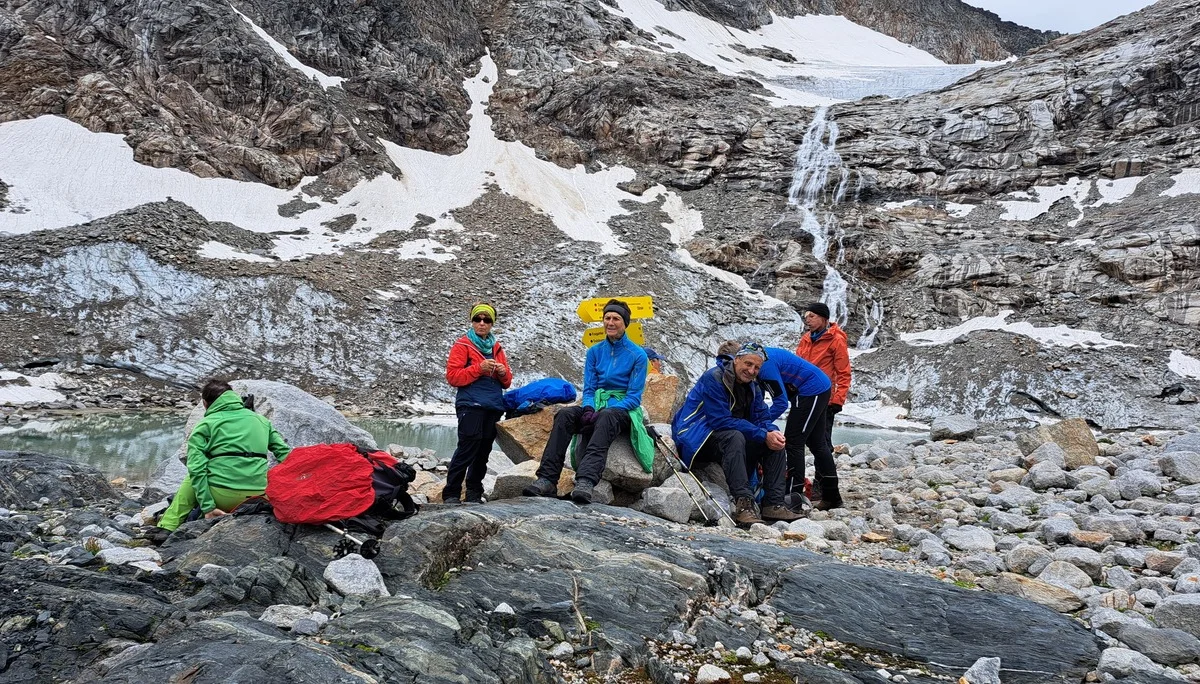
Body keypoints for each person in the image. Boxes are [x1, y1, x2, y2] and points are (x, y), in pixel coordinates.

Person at [523, 299, 649, 504]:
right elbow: (589, 389)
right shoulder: (594, 352)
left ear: (625, 323)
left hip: (622, 409)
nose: (610, 322)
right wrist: (589, 408)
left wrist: (607, 409)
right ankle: (547, 479)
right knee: (565, 415)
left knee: (606, 417)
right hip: (596, 404)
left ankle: (585, 481)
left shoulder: (638, 355)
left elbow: (634, 397)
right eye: (607, 318)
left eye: (616, 318)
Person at [671, 343, 802, 526]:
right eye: (748, 364)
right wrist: (762, 434)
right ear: (737, 360)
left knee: (775, 442)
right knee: (736, 436)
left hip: (727, 438)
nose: (751, 371)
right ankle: (744, 504)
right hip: (697, 436)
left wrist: (771, 432)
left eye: (757, 367)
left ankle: (773, 504)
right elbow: (719, 420)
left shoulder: (753, 386)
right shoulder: (714, 378)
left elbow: (761, 417)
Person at [156, 379, 291, 532]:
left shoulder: (206, 424)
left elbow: (196, 468)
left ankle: (168, 526)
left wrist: (208, 507)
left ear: (205, 403)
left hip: (222, 498)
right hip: (259, 497)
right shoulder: (262, 421)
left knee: (194, 475)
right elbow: (285, 455)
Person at [746, 342, 834, 512]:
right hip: (815, 386)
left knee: (794, 442)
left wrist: (759, 424)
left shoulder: (764, 368)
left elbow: (780, 403)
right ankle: (832, 497)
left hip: (811, 388)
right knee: (817, 444)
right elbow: (760, 398)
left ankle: (793, 495)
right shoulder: (757, 363)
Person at [442, 302, 513, 504]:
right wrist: (478, 369)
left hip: (493, 406)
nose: (482, 323)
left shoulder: (497, 347)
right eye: (477, 319)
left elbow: (507, 382)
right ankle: (451, 493)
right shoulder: (462, 345)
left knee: (483, 452)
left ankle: (474, 493)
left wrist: (502, 373)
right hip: (470, 404)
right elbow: (453, 377)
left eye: (486, 320)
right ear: (472, 321)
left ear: (492, 323)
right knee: (467, 447)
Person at [795, 302, 850, 510]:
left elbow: (843, 372)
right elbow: (798, 365)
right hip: (804, 396)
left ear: (824, 318)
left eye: (812, 316)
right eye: (806, 316)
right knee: (802, 440)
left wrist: (837, 400)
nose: (807, 320)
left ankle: (823, 488)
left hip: (825, 399)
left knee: (822, 443)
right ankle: (799, 485)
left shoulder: (836, 339)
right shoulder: (806, 339)